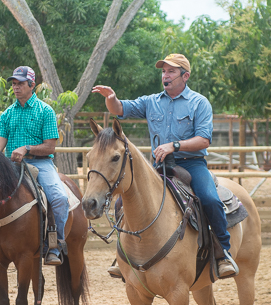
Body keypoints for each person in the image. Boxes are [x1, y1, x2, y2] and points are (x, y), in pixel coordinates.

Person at [91, 53, 238, 279]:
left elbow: (204, 140)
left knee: (209, 198)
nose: (165, 75)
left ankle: (222, 253)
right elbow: (119, 109)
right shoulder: (151, 101)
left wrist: (174, 146)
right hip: (158, 166)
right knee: (122, 201)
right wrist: (111, 98)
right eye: (163, 71)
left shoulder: (199, 103)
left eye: (171, 71)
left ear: (185, 76)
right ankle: (123, 256)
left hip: (192, 164)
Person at [0, 65, 70, 267]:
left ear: (32, 85)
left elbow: (50, 146)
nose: (16, 87)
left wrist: (27, 148)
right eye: (14, 84)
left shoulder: (46, 111)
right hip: (11, 165)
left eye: (20, 83)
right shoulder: (7, 114)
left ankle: (55, 245)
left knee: (60, 198)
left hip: (41, 163)